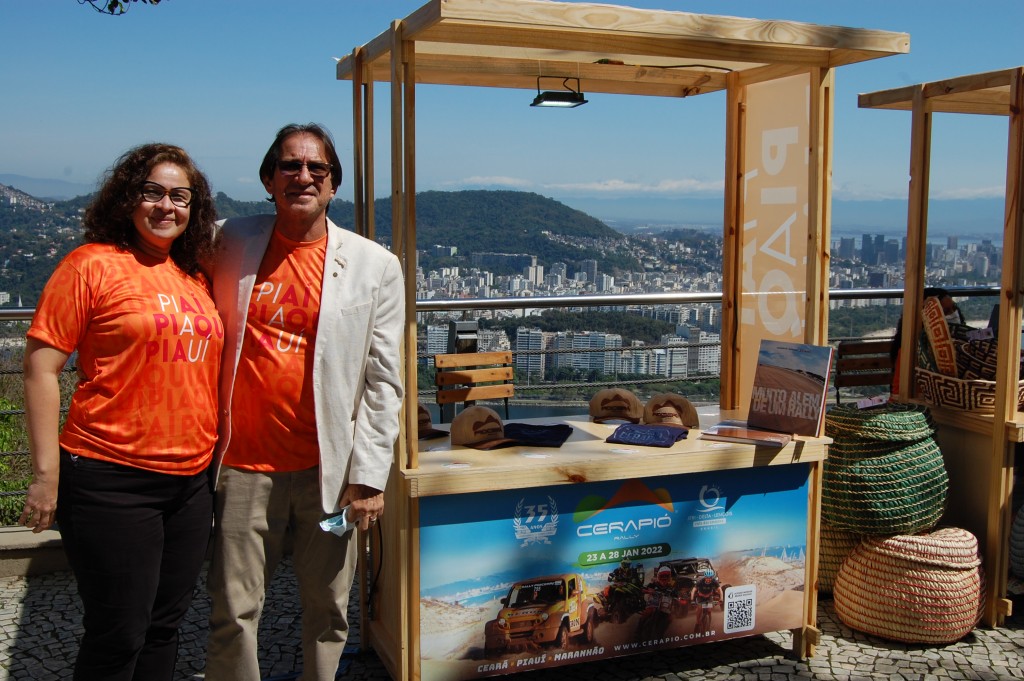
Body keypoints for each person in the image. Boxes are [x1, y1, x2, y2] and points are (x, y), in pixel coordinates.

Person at [204, 123, 405, 681]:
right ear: (269, 179)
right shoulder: (227, 240)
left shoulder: (375, 266)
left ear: (333, 184)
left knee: (328, 611)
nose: (303, 177)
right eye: (290, 166)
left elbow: (384, 380)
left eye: (317, 168)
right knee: (232, 612)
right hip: (244, 465)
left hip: (331, 469)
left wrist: (368, 477)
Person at [19, 143, 222, 680]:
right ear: (128, 198)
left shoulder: (194, 277)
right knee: (118, 632)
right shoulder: (90, 266)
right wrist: (46, 476)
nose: (166, 206)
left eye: (180, 196)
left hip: (189, 482)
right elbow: (40, 368)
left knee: (164, 626)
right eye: (152, 191)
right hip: (110, 477)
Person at [890, 286, 963, 394]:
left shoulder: (961, 346)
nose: (953, 315)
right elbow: (900, 391)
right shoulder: (911, 352)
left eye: (954, 309)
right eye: (946, 311)